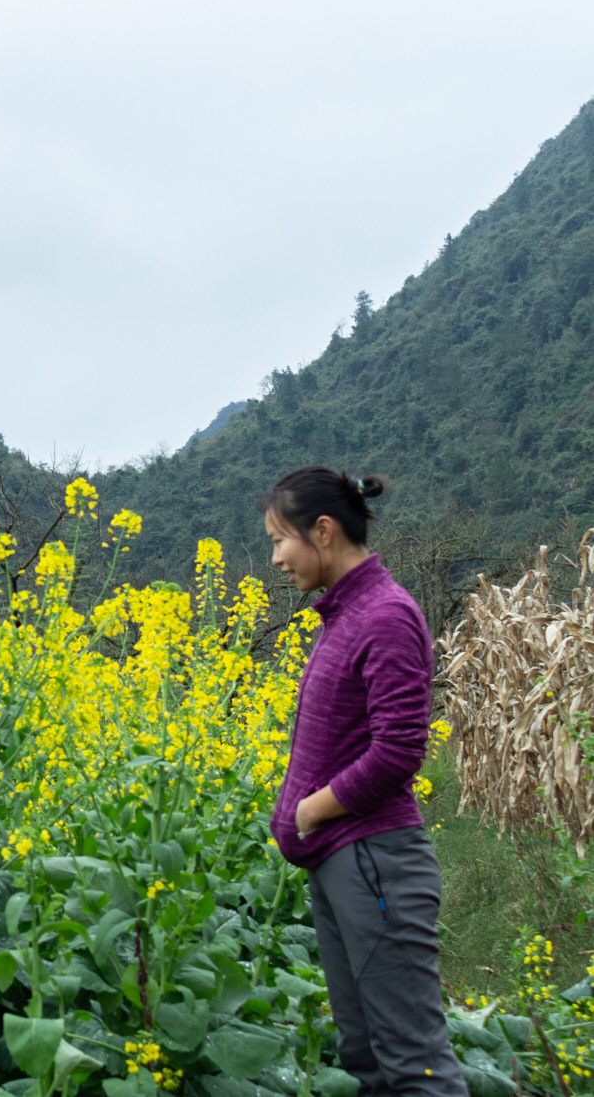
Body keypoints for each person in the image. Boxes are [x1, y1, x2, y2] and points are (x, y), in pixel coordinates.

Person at [263, 467, 464, 1096]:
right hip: (344, 864)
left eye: (279, 540)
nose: (275, 559)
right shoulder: (345, 616)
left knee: (414, 1064)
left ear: (323, 532)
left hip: (374, 862)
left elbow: (401, 749)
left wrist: (311, 812)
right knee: (367, 1057)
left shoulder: (386, 615)